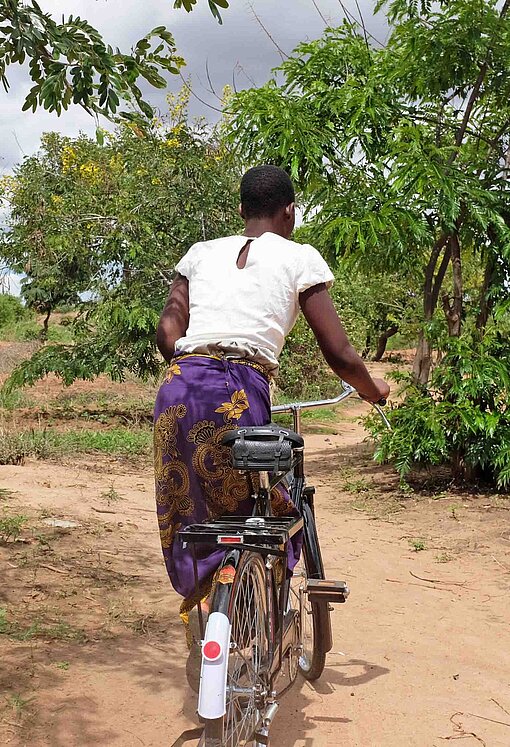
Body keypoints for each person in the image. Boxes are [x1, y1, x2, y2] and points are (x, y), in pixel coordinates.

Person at [154, 165, 389, 677]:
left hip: (178, 386)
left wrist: (194, 360)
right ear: (291, 212)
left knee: (196, 512)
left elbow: (168, 328)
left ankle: (213, 603)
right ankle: (262, 613)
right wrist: (375, 391)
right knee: (274, 510)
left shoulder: (200, 253)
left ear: (240, 212)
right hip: (239, 389)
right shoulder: (299, 256)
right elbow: (341, 353)